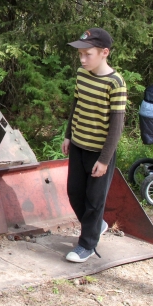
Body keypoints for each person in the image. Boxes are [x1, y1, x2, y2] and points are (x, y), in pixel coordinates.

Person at [61, 27, 127, 263]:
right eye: (80, 54)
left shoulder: (115, 83)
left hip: (100, 152)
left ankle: (87, 245)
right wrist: (69, 135)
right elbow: (76, 106)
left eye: (88, 54)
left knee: (94, 199)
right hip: (79, 145)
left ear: (104, 53)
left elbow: (117, 127)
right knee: (74, 193)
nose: (82, 59)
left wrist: (104, 160)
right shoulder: (82, 75)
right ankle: (97, 225)